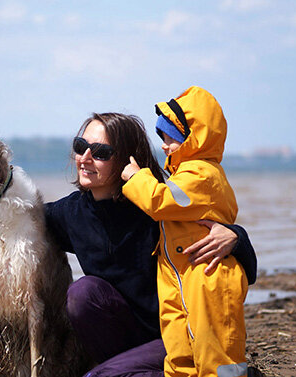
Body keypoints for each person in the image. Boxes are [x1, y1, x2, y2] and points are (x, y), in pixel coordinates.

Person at [0, 112, 257, 377]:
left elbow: (234, 265)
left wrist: (236, 238)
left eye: (100, 152)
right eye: (80, 146)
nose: (85, 158)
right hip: (122, 337)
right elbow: (12, 224)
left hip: (178, 336)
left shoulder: (156, 207)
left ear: (127, 160)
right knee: (83, 292)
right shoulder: (71, 213)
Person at [121, 86, 248, 377]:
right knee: (179, 345)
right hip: (180, 274)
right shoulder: (185, 173)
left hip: (209, 276)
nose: (164, 146)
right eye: (162, 138)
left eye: (171, 139)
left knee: (215, 347)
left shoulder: (202, 174)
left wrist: (135, 176)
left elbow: (160, 201)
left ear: (194, 138)